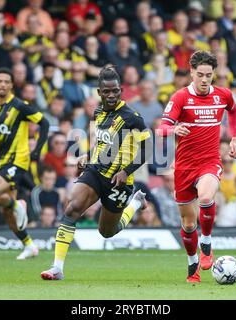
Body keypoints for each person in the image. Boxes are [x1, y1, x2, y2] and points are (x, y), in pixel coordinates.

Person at [41, 66, 150, 280]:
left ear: (121, 91)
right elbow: (101, 143)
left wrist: (126, 171)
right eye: (106, 92)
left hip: (119, 181)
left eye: (115, 91)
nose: (111, 95)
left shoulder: (132, 118)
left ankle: (135, 202)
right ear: (99, 92)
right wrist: (86, 156)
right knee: (73, 208)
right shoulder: (98, 112)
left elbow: (146, 150)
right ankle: (57, 268)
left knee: (108, 231)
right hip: (96, 170)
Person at [156, 50, 236, 283]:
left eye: (209, 75)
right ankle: (192, 263)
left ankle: (207, 241)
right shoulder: (180, 97)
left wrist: (234, 138)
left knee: (205, 197)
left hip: (209, 162)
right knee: (188, 222)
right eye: (200, 74)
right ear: (191, 72)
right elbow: (160, 128)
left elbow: (233, 111)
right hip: (184, 167)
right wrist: (173, 129)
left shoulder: (222, 95)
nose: (204, 80)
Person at [0, 68, 49, 260]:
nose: (3, 85)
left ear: (12, 85)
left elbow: (44, 122)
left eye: (7, 81)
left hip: (18, 160)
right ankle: (29, 245)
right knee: (7, 212)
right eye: (0, 81)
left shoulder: (20, 106)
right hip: (1, 161)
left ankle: (18, 204)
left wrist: (37, 150)